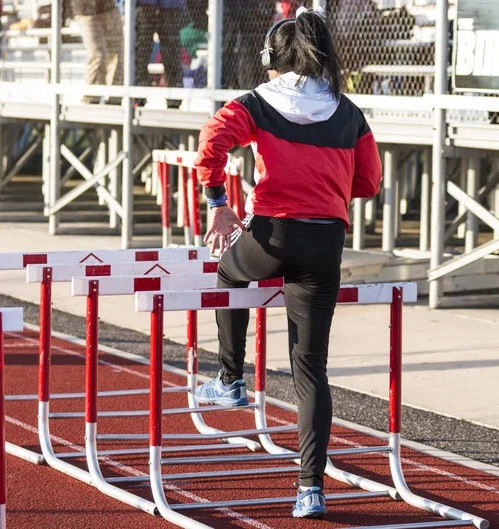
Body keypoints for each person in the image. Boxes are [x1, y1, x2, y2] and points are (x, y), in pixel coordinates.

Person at [193, 6, 382, 519]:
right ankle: (309, 489)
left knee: (228, 270)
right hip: (326, 245)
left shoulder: (258, 101)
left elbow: (211, 143)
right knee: (310, 370)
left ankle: (230, 378)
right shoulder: (347, 110)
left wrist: (218, 204)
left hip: (272, 236)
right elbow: (369, 182)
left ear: (273, 61)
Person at [69, 0, 123, 104]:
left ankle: (115, 99)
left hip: (108, 7)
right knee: (97, 55)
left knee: (117, 53)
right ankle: (91, 99)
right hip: (86, 9)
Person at [222, 0, 276, 89]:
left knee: (248, 52)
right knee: (232, 49)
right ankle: (231, 83)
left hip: (250, 22)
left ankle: (247, 85)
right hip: (235, 15)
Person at [135, 0, 185, 88]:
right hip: (146, 5)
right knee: (141, 53)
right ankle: (138, 96)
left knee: (171, 54)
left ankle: (174, 95)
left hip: (170, 6)